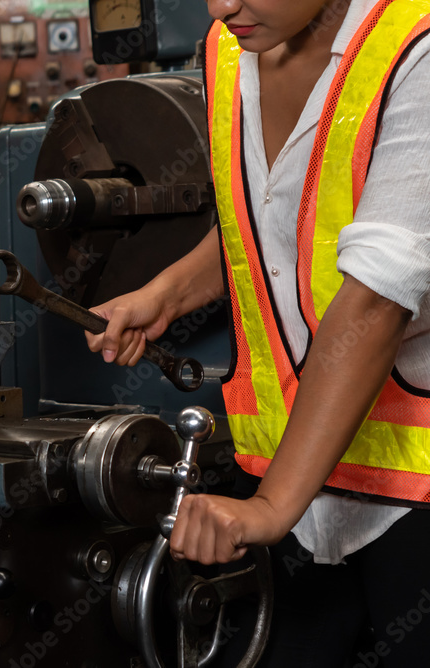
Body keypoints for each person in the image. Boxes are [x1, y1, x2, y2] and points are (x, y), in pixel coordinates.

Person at [86, 0, 430, 664]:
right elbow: (263, 211)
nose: (222, 6)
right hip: (296, 494)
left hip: (410, 495)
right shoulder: (227, 50)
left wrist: (270, 507)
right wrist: (168, 293)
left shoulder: (413, 51)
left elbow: (376, 303)